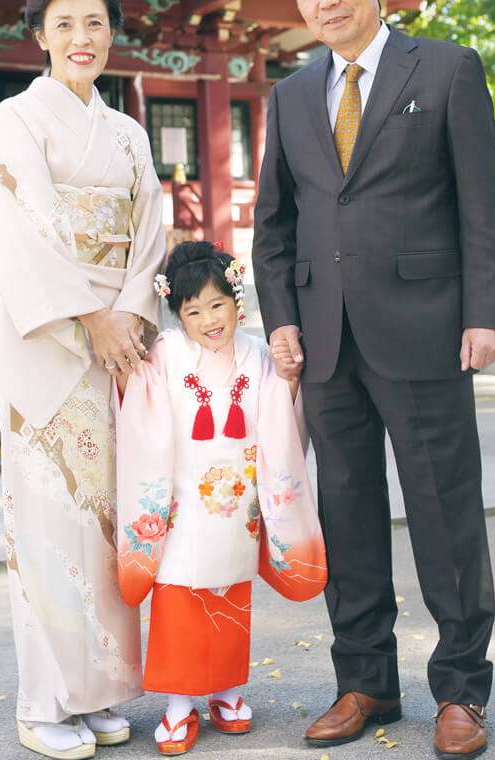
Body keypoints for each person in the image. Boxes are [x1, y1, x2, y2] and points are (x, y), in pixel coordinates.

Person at [252, 0, 495, 759]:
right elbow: (274, 227)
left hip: (428, 331)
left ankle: (462, 691)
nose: (323, 0)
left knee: (446, 514)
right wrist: (282, 320)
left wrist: (488, 314)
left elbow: (482, 203)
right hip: (326, 340)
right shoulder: (291, 96)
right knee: (349, 514)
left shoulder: (443, 68)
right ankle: (364, 682)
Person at [0, 0, 166, 760]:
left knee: (108, 521)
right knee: (49, 517)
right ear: (40, 38)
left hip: (114, 344)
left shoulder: (126, 133)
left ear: (111, 34)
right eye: (64, 25)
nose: (82, 38)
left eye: (95, 23)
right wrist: (91, 315)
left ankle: (100, 691)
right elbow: (19, 232)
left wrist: (127, 317)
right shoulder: (19, 117)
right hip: (49, 346)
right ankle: (43, 698)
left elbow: (147, 240)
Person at [113, 241, 327, 755]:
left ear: (237, 302)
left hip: (238, 504)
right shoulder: (165, 354)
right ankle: (179, 705)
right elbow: (140, 408)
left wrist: (290, 378)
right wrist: (128, 369)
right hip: (182, 499)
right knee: (180, 594)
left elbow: (278, 414)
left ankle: (228, 692)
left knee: (231, 591)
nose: (209, 320)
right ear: (177, 315)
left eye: (217, 305)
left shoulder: (256, 352)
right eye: (193, 311)